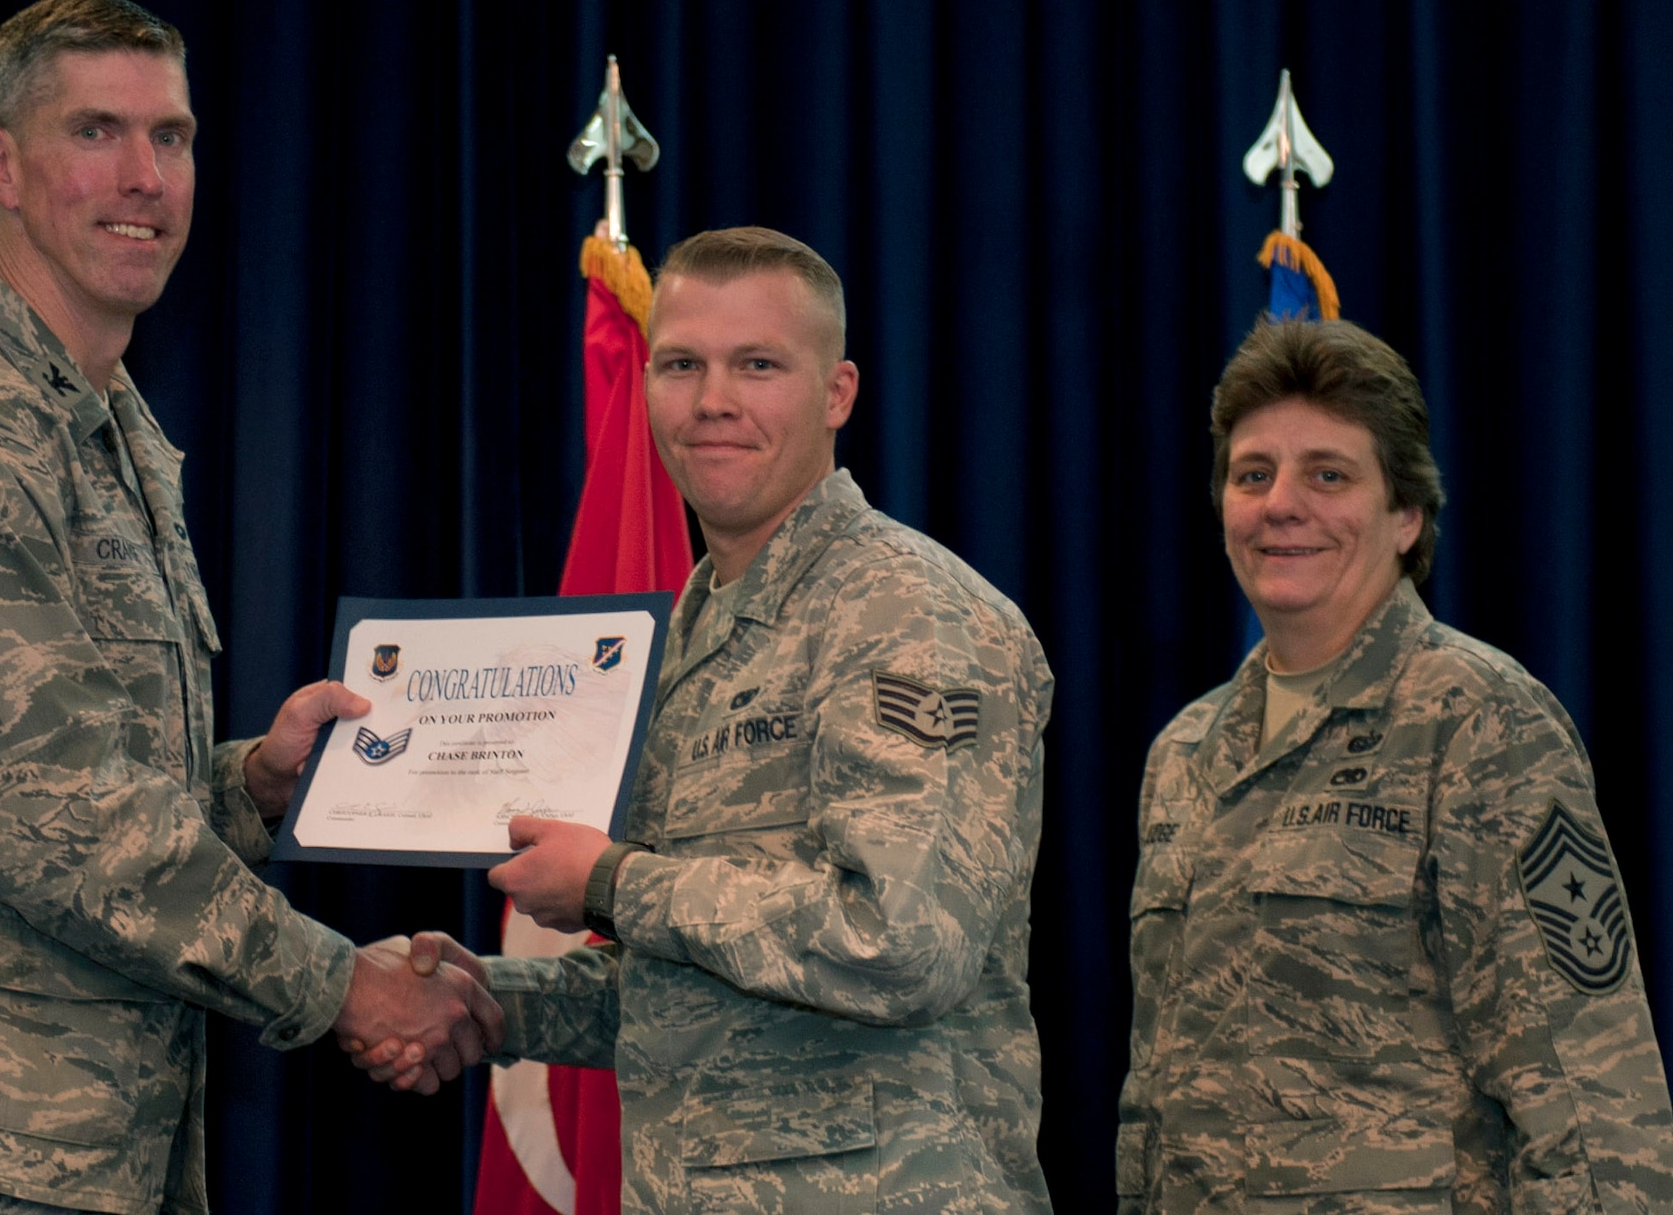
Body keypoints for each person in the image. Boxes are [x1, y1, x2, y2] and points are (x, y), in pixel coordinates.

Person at [0, 0, 501, 1215]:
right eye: (97, 131)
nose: (145, 177)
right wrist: (342, 985)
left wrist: (252, 785)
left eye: (174, 137)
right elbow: (54, 821)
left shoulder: (108, 433)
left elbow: (78, 786)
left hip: (84, 1149)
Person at [370, 227, 1056, 1211]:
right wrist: (479, 997)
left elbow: (900, 942)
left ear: (837, 393)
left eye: (758, 365)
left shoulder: (906, 609)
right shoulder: (682, 635)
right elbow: (684, 984)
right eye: (680, 364)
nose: (712, 401)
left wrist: (609, 881)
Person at [1117, 316, 1673, 1212]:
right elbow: (1155, 1095)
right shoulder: (1185, 752)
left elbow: (1591, 1090)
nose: (1281, 504)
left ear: (1406, 515)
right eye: (1253, 475)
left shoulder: (1482, 722)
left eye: (1328, 475)